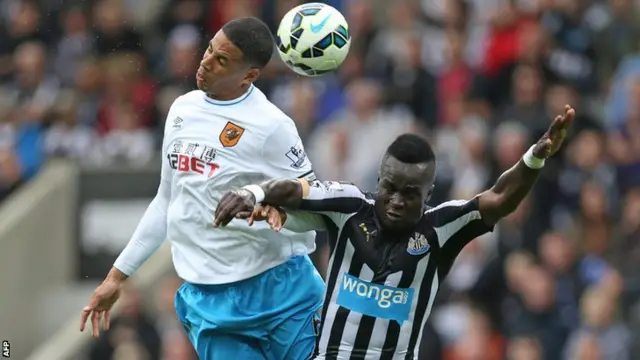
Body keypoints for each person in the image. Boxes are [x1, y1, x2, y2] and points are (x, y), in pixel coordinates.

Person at [213, 105, 576, 359]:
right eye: (390, 187)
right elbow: (296, 190)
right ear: (378, 180)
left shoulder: (442, 228)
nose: (396, 200)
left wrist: (535, 158)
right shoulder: (350, 206)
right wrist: (254, 192)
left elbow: (498, 198)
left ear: (428, 195)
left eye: (410, 193)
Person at [80, 17, 325, 360]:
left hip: (281, 291)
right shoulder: (182, 109)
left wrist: (281, 208)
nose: (205, 62)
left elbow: (320, 208)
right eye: (210, 49)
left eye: (222, 60)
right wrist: (117, 277)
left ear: (249, 75)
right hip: (211, 304)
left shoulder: (272, 127)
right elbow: (166, 201)